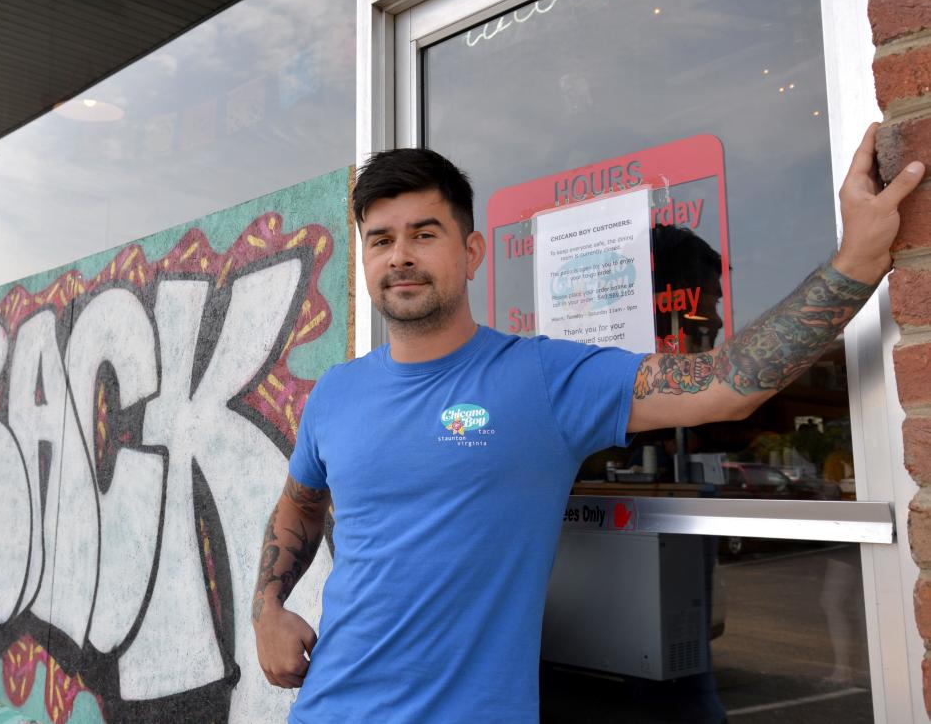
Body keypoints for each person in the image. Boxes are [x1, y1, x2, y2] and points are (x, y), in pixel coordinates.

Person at [250, 124, 925, 722]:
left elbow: (725, 384)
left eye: (425, 234)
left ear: (473, 250)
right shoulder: (335, 394)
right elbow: (299, 505)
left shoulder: (540, 378)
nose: (400, 256)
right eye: (381, 240)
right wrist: (267, 607)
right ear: (365, 259)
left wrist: (857, 262)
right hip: (327, 705)